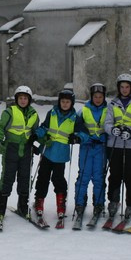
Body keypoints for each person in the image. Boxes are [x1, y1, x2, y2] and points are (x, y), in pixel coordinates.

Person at [32, 89, 84, 224]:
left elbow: (82, 133)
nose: (65, 104)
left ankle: (61, 202)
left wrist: (76, 138)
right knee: (43, 177)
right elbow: (44, 127)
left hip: (61, 154)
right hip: (48, 150)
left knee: (58, 179)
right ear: (59, 102)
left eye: (67, 102)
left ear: (72, 103)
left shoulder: (75, 118)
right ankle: (39, 200)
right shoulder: (52, 113)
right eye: (62, 101)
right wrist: (37, 134)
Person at [0, 85, 40, 230]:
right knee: (7, 178)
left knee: (25, 178)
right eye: (20, 98)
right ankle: (1, 208)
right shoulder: (9, 112)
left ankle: (23, 206)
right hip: (11, 149)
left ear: (29, 100)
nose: (23, 100)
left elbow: (36, 132)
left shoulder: (34, 114)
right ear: (16, 99)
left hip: (26, 150)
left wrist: (38, 142)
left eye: (25, 98)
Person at [103, 73, 131, 221]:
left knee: (130, 175)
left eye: (127, 87)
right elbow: (107, 123)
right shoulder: (112, 104)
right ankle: (113, 201)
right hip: (115, 144)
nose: (124, 89)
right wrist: (112, 130)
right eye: (122, 87)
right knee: (115, 175)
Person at [72, 83, 108, 224]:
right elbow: (77, 128)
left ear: (104, 97)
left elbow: (111, 128)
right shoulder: (83, 110)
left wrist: (104, 138)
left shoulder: (109, 110)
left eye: (100, 97)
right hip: (86, 148)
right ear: (91, 97)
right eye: (95, 96)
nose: (98, 99)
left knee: (99, 177)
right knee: (83, 176)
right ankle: (80, 204)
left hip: (101, 148)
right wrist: (84, 137)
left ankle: (98, 204)